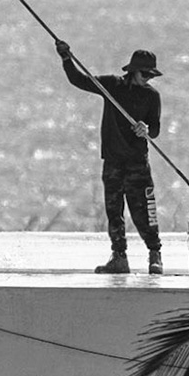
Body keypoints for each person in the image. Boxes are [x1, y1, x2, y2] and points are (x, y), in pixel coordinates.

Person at [54, 39, 164, 274]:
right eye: (145, 74)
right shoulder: (112, 86)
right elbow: (79, 80)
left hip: (137, 163)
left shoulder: (152, 96)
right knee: (114, 212)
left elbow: (155, 128)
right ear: (133, 71)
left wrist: (146, 129)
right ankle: (119, 257)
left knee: (144, 212)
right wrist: (66, 58)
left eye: (151, 75)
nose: (148, 78)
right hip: (113, 162)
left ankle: (155, 255)